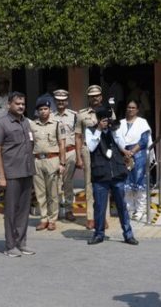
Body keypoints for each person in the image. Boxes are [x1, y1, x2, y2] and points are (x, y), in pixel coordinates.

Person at [0, 91, 36, 258]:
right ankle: (10, 245)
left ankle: (21, 243)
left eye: (23, 104)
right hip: (11, 173)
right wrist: (1, 176)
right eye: (17, 104)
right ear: (9, 104)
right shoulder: (2, 124)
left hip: (27, 171)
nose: (21, 106)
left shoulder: (26, 122)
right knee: (11, 211)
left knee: (24, 210)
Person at [85, 106, 139, 246]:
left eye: (107, 120)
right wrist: (98, 130)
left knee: (122, 206)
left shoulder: (115, 129)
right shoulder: (90, 130)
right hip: (100, 175)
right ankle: (98, 234)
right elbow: (91, 147)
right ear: (98, 120)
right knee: (99, 207)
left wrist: (114, 132)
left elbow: (123, 145)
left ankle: (128, 234)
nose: (106, 122)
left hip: (117, 173)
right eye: (103, 120)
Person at [76, 85, 113, 230]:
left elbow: (113, 132)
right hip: (88, 151)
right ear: (88, 98)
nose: (95, 98)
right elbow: (78, 136)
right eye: (92, 96)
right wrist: (78, 157)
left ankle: (104, 217)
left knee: (105, 182)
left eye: (97, 95)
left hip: (104, 150)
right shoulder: (81, 114)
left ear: (101, 97)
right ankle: (91, 217)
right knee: (89, 184)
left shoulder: (109, 111)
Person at [31, 97, 66, 231]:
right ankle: (43, 218)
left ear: (50, 110)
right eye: (41, 109)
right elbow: (31, 144)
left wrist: (62, 163)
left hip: (53, 159)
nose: (43, 111)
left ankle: (52, 219)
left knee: (53, 192)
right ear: (37, 111)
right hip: (38, 160)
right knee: (40, 192)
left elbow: (62, 144)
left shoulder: (57, 124)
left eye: (45, 109)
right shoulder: (33, 125)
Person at [117, 100, 153, 221]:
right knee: (126, 182)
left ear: (137, 110)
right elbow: (116, 139)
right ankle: (129, 208)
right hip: (124, 154)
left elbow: (143, 140)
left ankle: (140, 210)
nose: (131, 109)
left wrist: (132, 152)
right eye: (129, 107)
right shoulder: (120, 123)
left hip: (138, 154)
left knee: (139, 181)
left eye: (133, 107)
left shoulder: (142, 122)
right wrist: (125, 152)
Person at [51, 89, 78, 222]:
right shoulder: (51, 116)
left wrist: (79, 156)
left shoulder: (74, 116)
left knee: (68, 182)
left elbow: (79, 136)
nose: (61, 102)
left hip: (70, 152)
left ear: (67, 101)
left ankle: (68, 210)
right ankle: (54, 212)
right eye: (58, 100)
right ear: (55, 101)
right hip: (55, 154)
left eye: (63, 100)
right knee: (55, 183)